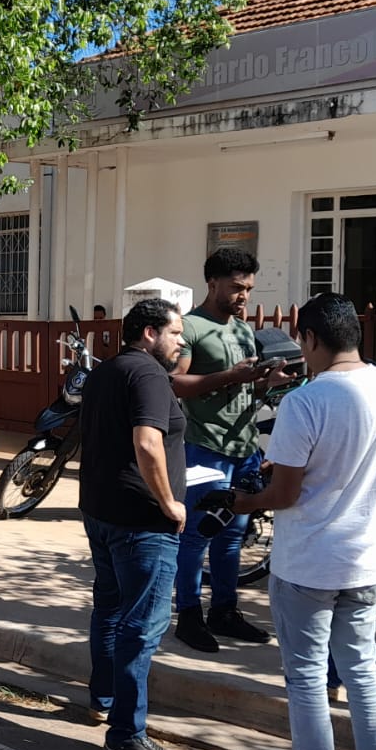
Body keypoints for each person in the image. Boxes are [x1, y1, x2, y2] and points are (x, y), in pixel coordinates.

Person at [221, 293, 376, 750]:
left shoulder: (306, 400)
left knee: (306, 680)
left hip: (308, 563)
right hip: (368, 561)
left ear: (309, 338)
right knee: (364, 675)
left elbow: (284, 495)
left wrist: (242, 502)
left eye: (301, 341)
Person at [77, 297, 188, 750]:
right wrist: (169, 502)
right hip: (142, 522)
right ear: (149, 332)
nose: (181, 342)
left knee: (109, 608)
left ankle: (102, 699)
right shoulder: (148, 375)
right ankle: (127, 732)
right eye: (175, 333)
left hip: (102, 512)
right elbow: (147, 441)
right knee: (142, 626)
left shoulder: (106, 371)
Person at [169, 247, 279, 652]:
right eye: (236, 287)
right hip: (205, 448)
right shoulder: (191, 327)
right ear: (212, 283)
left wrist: (265, 381)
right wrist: (230, 376)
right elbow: (175, 383)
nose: (243, 295)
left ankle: (224, 611)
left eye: (248, 288)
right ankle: (189, 615)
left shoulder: (244, 331)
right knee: (197, 536)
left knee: (232, 536)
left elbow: (243, 388)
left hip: (244, 447)